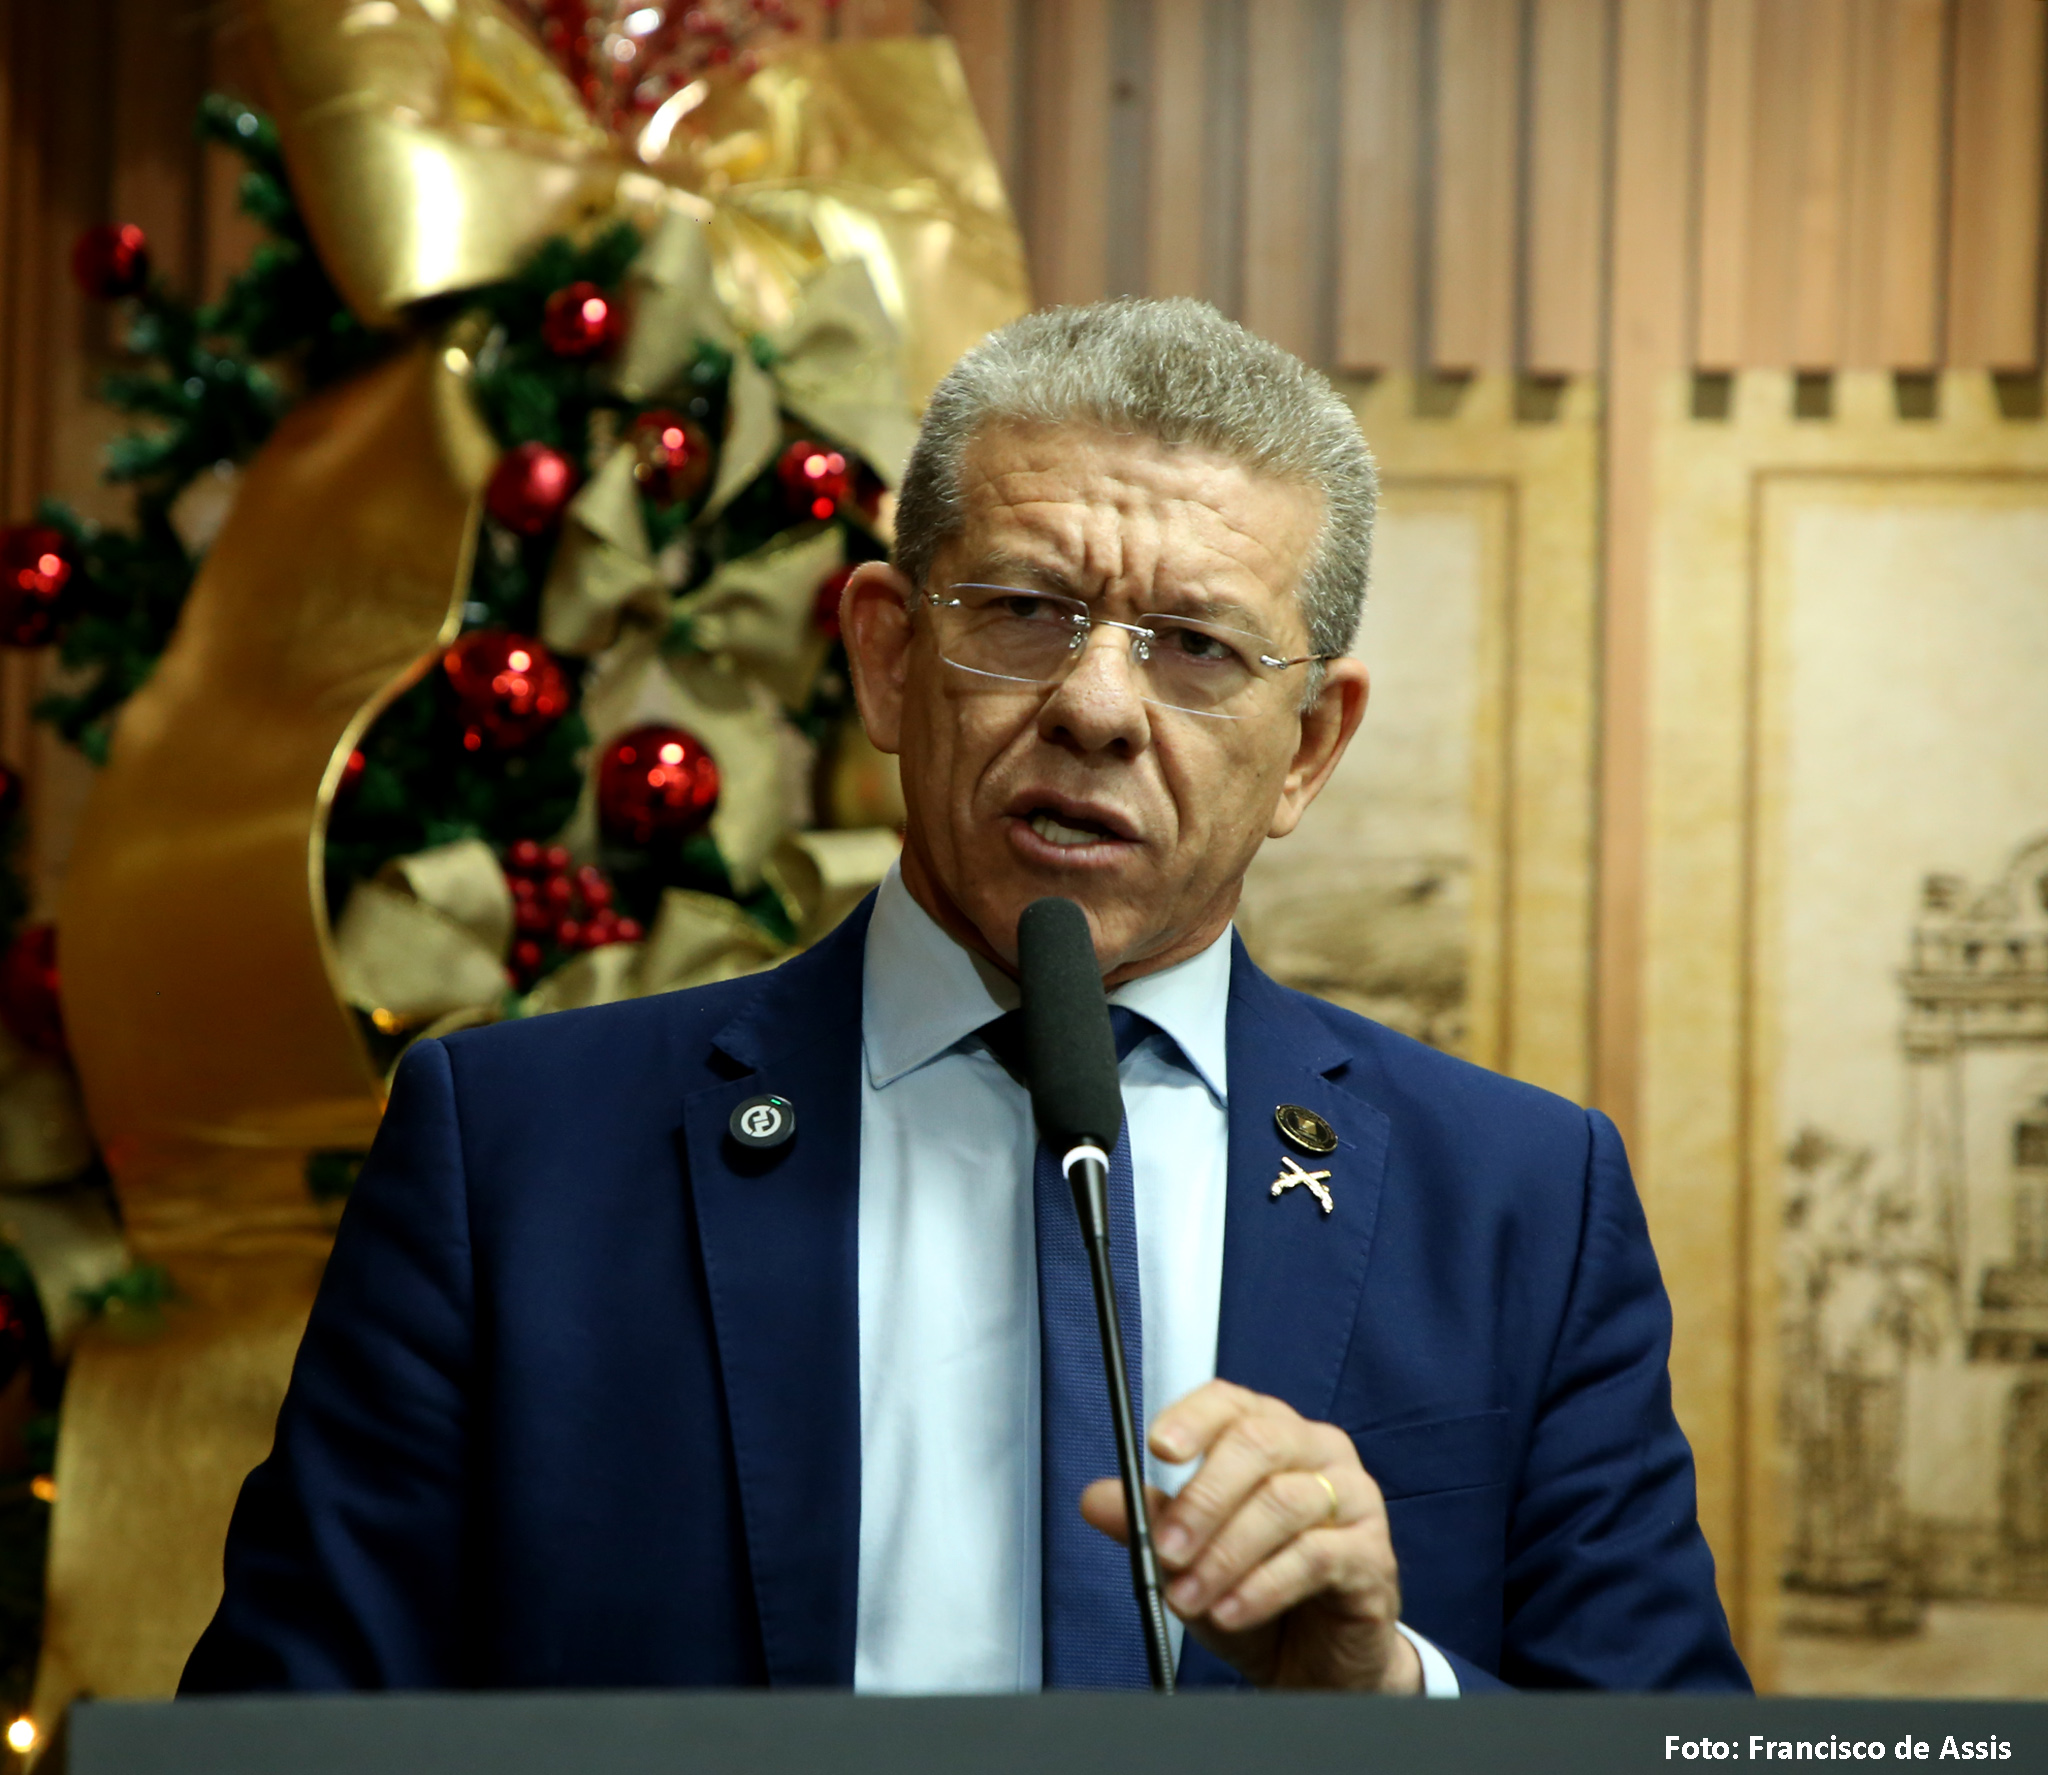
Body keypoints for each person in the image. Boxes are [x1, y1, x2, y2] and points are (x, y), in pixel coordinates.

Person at [181, 298, 1748, 1697]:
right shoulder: (514, 1159)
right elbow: (284, 1741)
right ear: (883, 657)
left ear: (1310, 750)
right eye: (1023, 613)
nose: (1097, 707)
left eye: (1197, 646)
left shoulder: (1521, 1205)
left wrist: (1390, 1702)